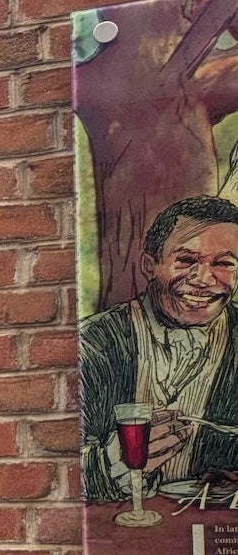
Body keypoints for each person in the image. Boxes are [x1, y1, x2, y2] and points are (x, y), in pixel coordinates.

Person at [81, 195, 238, 500]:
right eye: (186, 260)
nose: (204, 279)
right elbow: (62, 466)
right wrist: (111, 462)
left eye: (223, 263)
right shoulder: (95, 342)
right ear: (149, 265)